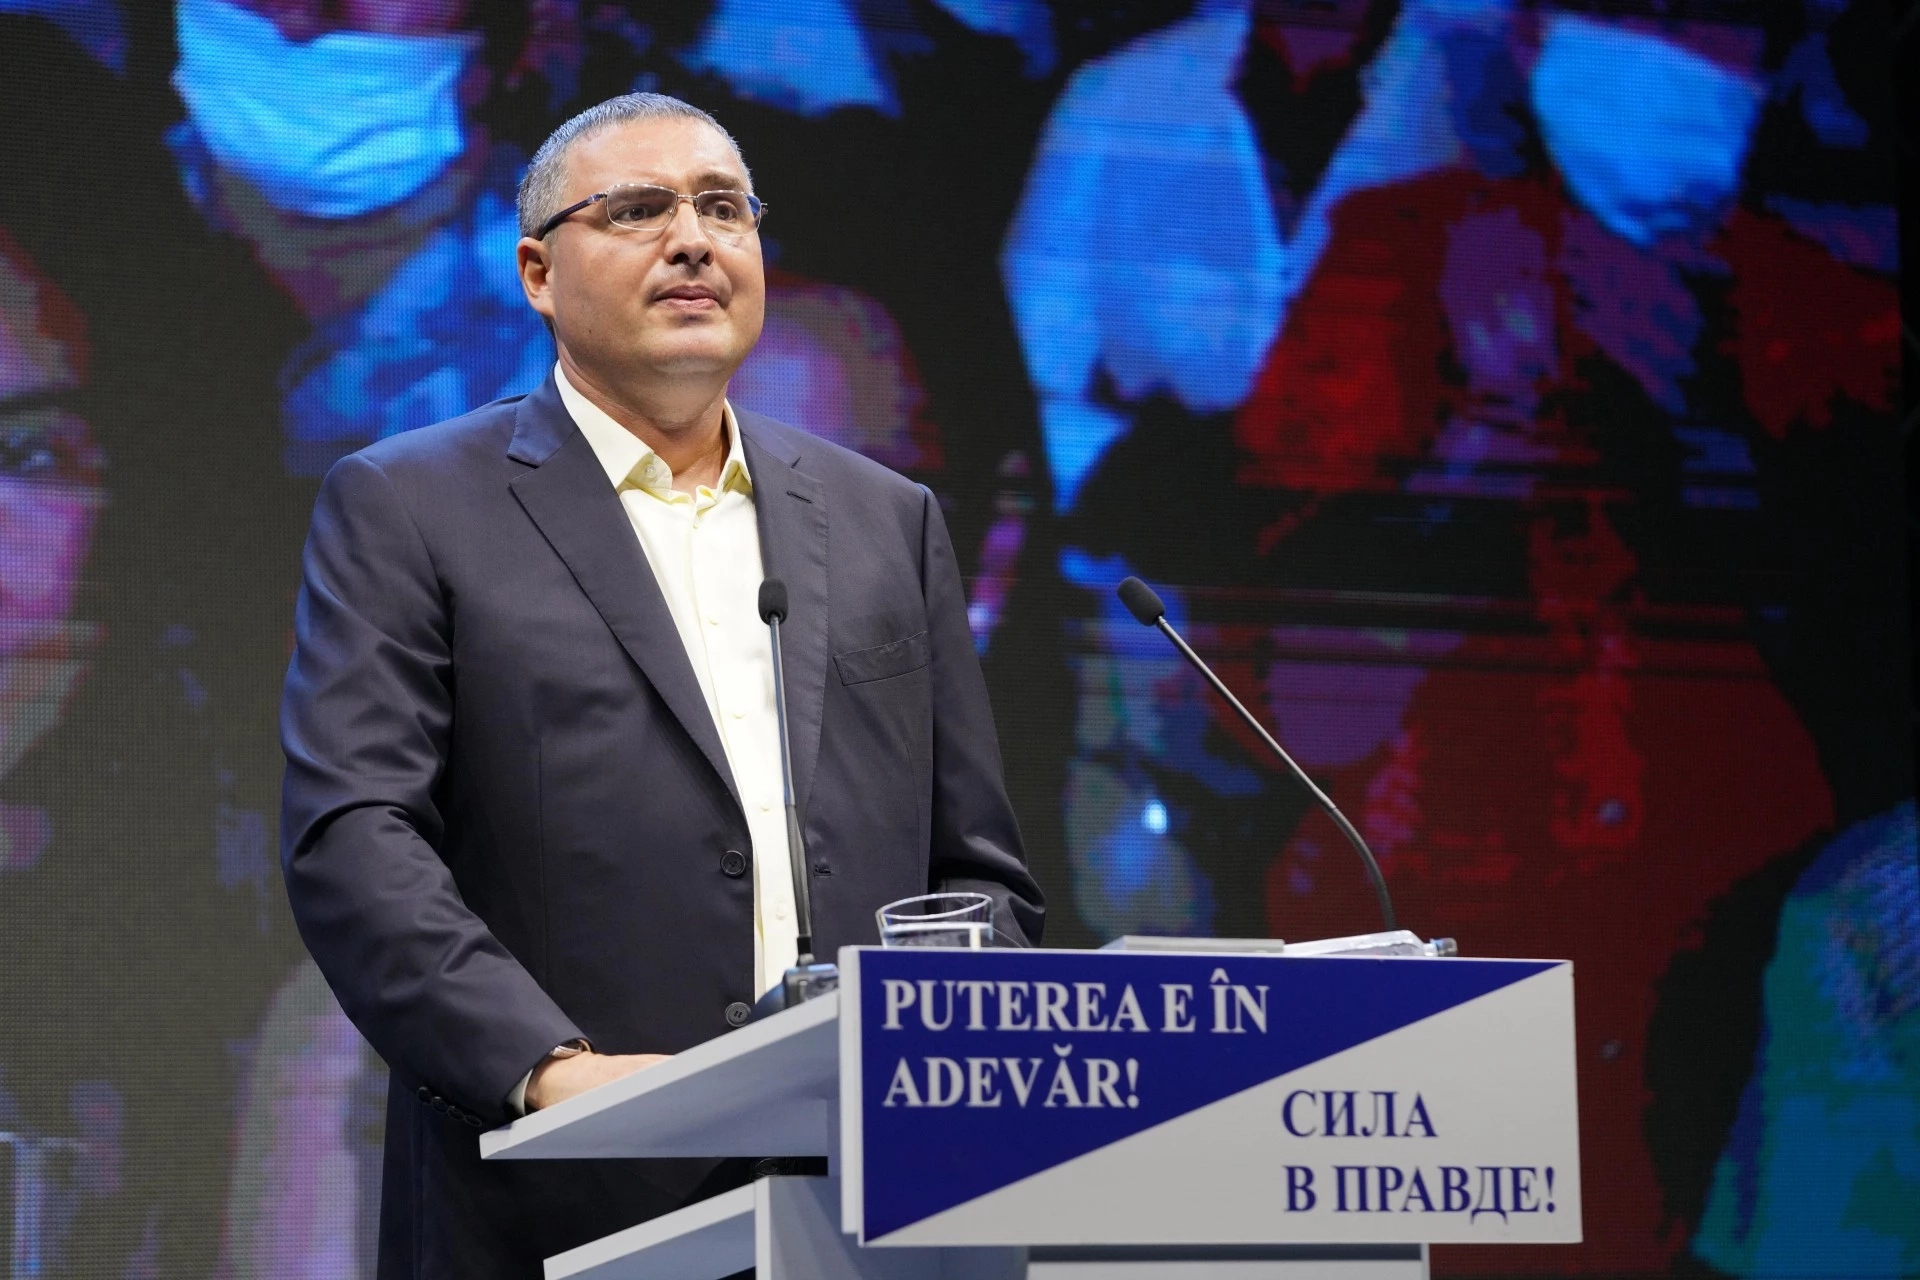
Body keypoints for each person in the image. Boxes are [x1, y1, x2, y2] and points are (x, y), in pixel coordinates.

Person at [279, 92, 1044, 1278]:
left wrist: (935, 1060)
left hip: (870, 1206)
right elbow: (355, 836)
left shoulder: (887, 520)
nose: (693, 240)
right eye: (638, 209)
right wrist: (549, 1069)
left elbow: (978, 873)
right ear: (538, 274)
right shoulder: (412, 506)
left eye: (724, 207)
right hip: (566, 1197)